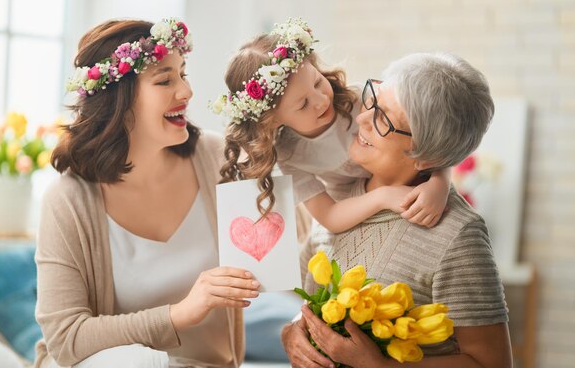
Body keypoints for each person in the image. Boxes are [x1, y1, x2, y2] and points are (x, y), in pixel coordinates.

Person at [35, 18, 260, 368]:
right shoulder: (68, 201)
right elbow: (66, 338)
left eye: (183, 74)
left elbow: (292, 245)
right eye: (165, 79)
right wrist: (180, 314)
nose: (186, 92)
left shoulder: (219, 159)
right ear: (118, 101)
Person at [281, 53, 512, 368]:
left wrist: (380, 367)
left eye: (382, 119)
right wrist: (292, 332)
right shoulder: (339, 198)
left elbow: (491, 363)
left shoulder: (458, 235)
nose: (360, 120)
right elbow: (308, 303)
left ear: (426, 156)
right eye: (372, 100)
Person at [212, 18, 451, 235]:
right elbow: (330, 216)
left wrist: (440, 182)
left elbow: (430, 137)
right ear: (272, 120)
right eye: (303, 104)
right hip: (356, 209)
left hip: (413, 184)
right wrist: (383, 197)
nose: (321, 100)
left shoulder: (359, 99)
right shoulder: (290, 155)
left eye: (317, 82)